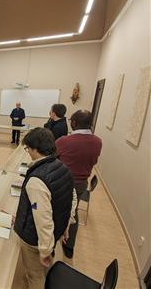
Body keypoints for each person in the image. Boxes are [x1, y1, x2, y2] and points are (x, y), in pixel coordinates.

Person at [13, 127, 77, 289]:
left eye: (28, 148)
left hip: (33, 240)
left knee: (35, 276)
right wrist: (67, 223)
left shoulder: (37, 181)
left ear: (36, 148)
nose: (27, 152)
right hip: (56, 230)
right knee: (43, 269)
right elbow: (72, 198)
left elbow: (43, 218)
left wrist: (45, 250)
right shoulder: (62, 167)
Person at [56, 110, 102, 259]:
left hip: (62, 182)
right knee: (72, 213)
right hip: (82, 183)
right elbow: (93, 162)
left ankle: (50, 242)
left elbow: (53, 158)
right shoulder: (98, 141)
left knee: (54, 210)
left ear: (74, 123)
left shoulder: (64, 141)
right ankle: (69, 246)